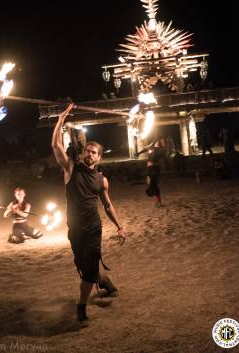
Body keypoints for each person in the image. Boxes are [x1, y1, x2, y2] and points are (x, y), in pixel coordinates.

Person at [51, 104, 126, 326]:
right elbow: (55, 144)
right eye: (87, 150)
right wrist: (62, 117)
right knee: (86, 269)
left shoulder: (102, 180)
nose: (89, 153)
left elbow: (108, 205)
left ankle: (81, 307)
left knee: (88, 270)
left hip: (94, 229)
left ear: (99, 157)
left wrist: (120, 226)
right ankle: (107, 283)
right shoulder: (70, 169)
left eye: (94, 152)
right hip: (75, 230)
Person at [138, 138, 166, 207]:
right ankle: (157, 201)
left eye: (161, 141)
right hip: (149, 168)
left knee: (154, 184)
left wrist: (154, 143)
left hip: (155, 169)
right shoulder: (152, 148)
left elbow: (163, 157)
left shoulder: (160, 150)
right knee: (149, 183)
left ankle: (159, 202)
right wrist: (138, 153)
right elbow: (145, 149)